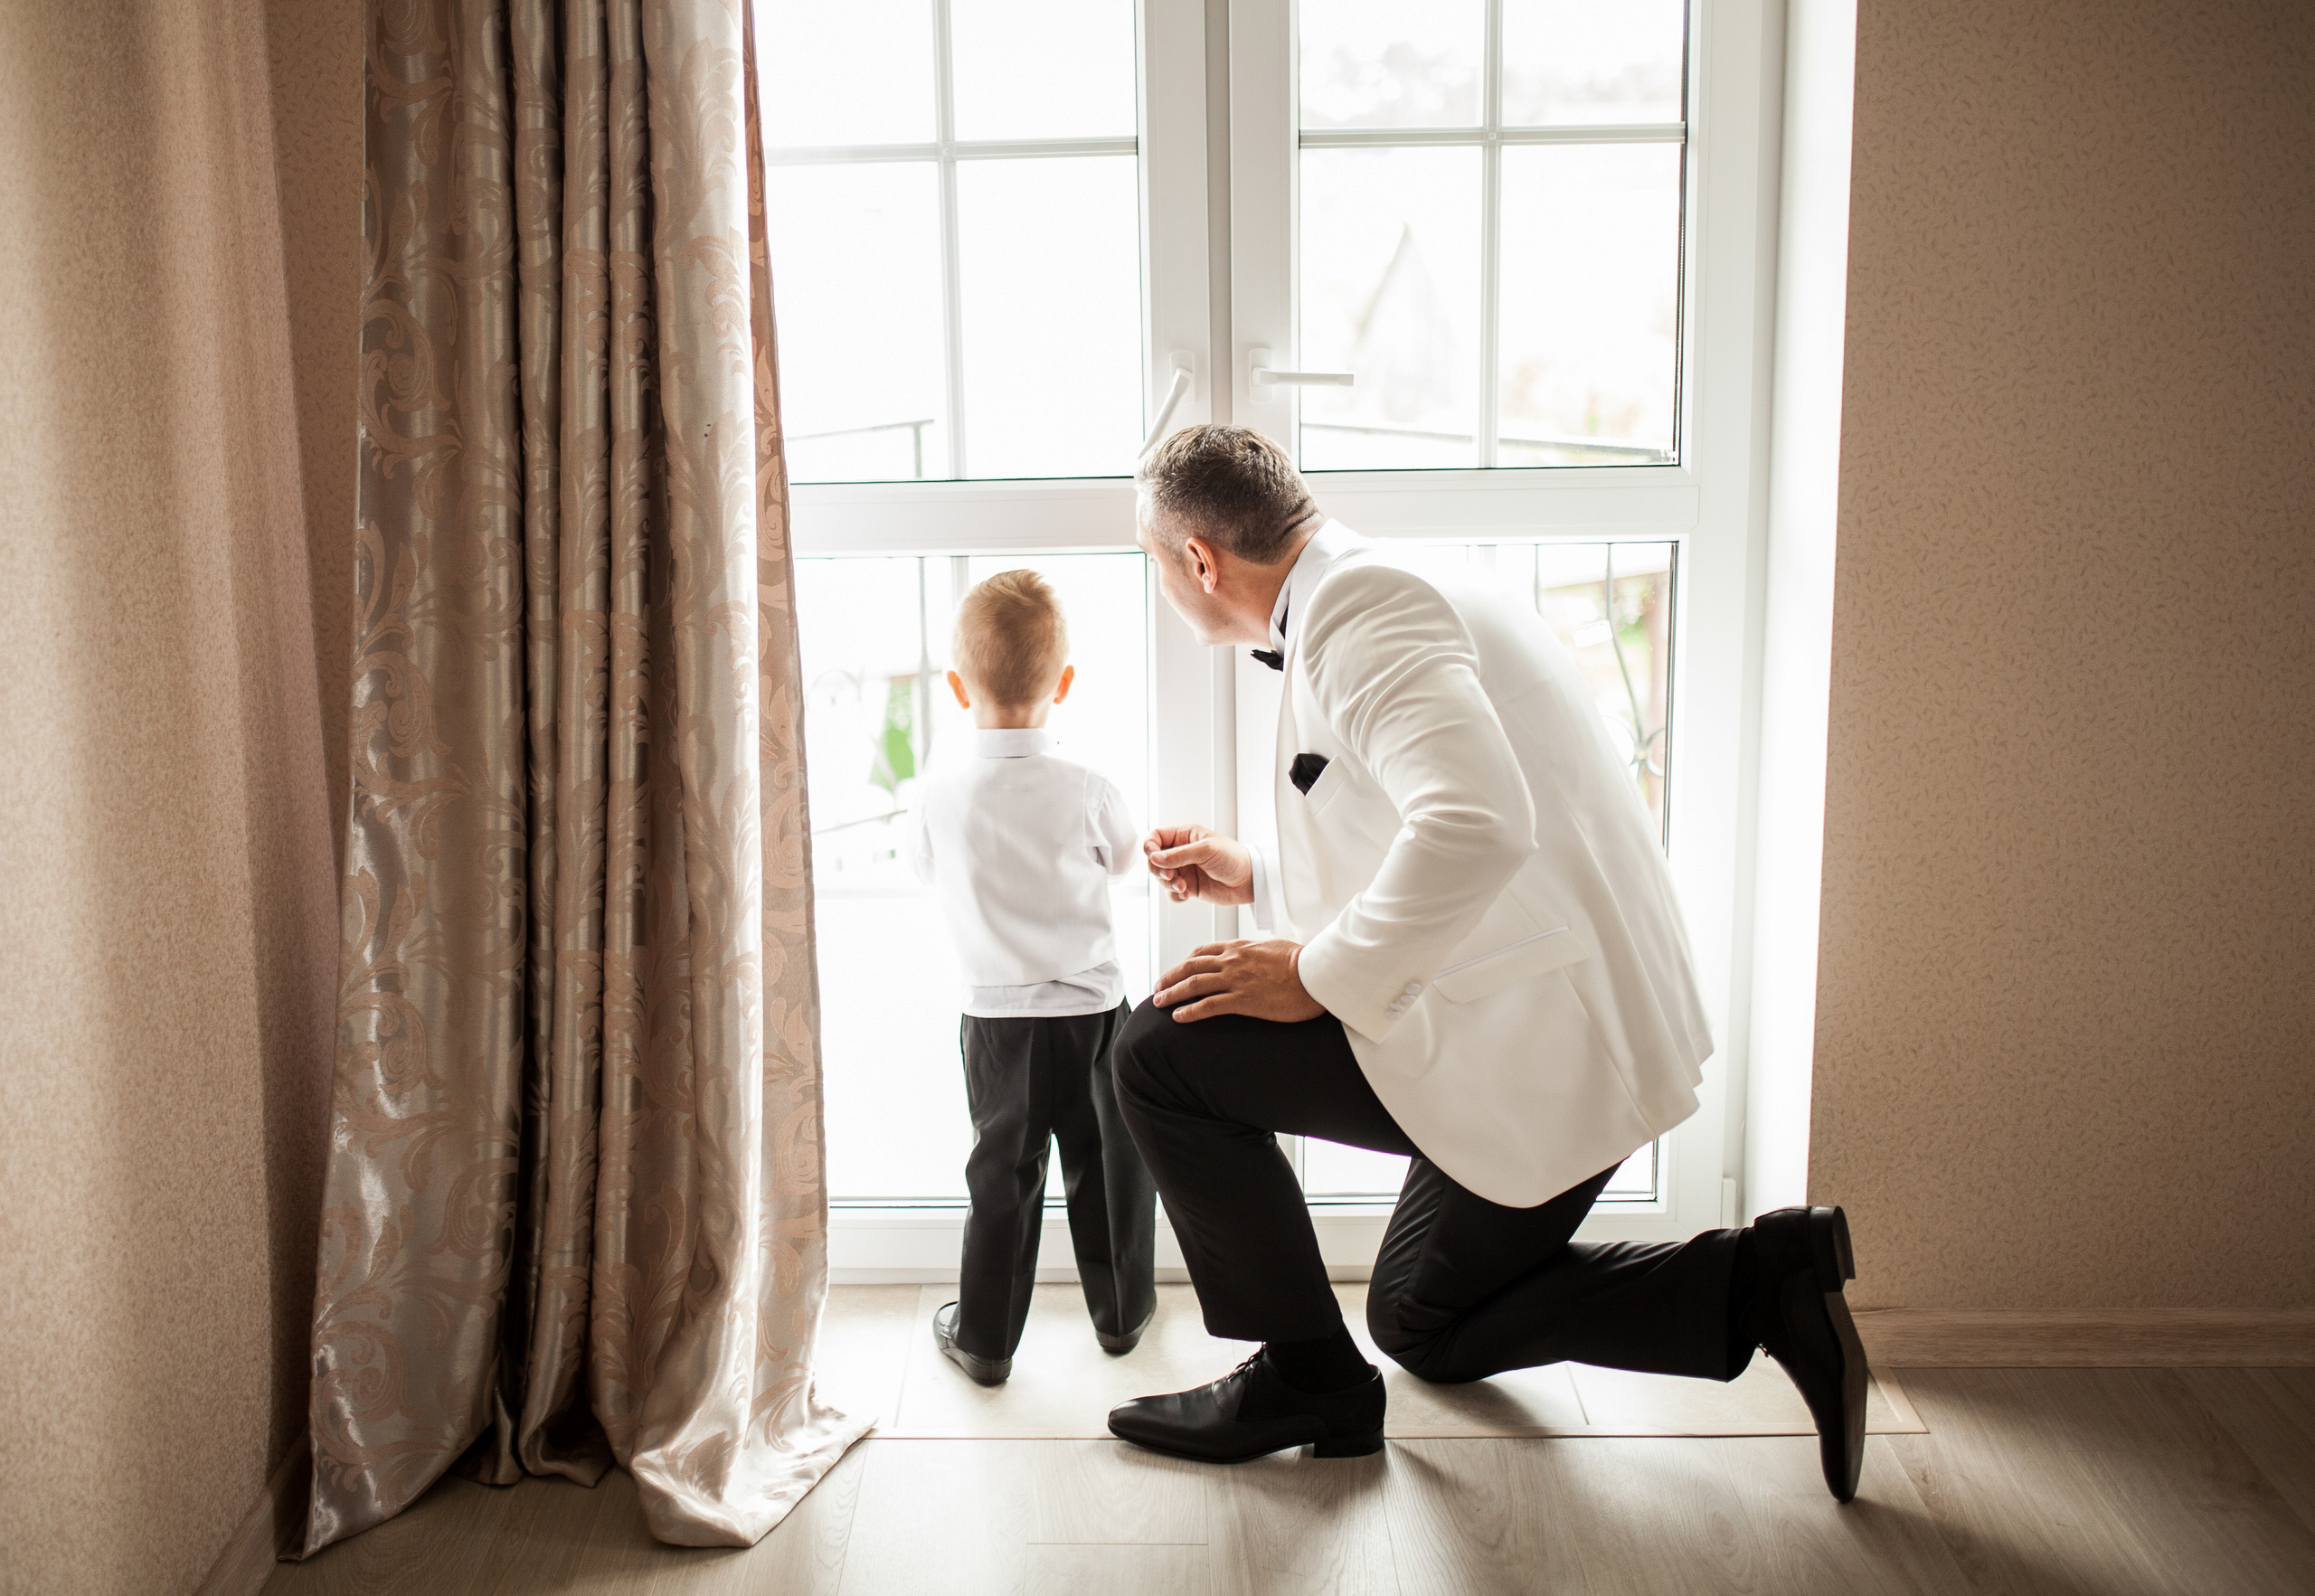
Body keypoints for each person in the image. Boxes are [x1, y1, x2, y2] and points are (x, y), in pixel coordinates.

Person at [1105, 426, 1871, 1501]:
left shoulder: (1365, 613)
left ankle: (1304, 1380)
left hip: (1540, 1038)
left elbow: (1475, 824)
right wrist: (1259, 874)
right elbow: (1428, 817)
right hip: (1546, 1007)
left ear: (1198, 560)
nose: (1165, 588)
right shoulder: (1385, 581)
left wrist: (1314, 975)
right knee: (1420, 1318)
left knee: (1156, 1052)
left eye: (1156, 566)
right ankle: (1757, 1283)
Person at [909, 570, 1158, 1385]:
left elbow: (924, 870)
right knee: (1107, 1161)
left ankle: (984, 1338)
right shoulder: (1087, 787)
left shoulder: (936, 797)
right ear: (1065, 684)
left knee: (1002, 1176)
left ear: (955, 686)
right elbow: (1127, 862)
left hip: (998, 1020)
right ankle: (1121, 1315)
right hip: (1092, 1012)